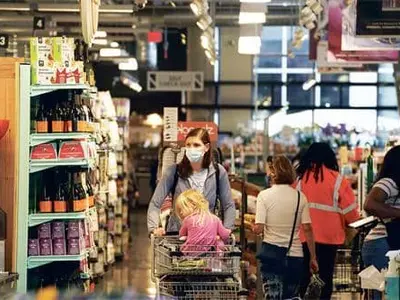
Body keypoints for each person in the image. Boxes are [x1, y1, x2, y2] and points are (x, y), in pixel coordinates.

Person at [295, 142, 360, 299]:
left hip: (303, 238)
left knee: (304, 279)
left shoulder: (300, 179)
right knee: (325, 280)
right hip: (329, 240)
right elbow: (352, 215)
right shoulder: (337, 180)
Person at [147, 128, 236, 236]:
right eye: (188, 145)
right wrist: (154, 228)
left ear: (206, 147)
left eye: (196, 145)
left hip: (208, 236)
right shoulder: (174, 171)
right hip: (177, 235)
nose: (191, 149)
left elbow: (228, 205)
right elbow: (155, 203)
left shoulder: (218, 172)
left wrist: (226, 231)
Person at [254, 155, 318, 300]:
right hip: (294, 255)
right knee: (291, 296)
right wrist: (313, 257)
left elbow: (259, 228)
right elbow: (307, 229)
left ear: (272, 172)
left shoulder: (263, 196)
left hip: (271, 256)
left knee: (273, 296)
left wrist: (255, 228)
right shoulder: (300, 197)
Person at [363, 146, 400, 299]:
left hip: (387, 244)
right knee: (386, 292)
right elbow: (369, 204)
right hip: (381, 244)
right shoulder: (389, 182)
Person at [176, 189, 231, 254]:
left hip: (190, 253)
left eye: (181, 209)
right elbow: (225, 235)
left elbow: (181, 235)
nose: (181, 212)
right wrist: (227, 232)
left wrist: (188, 237)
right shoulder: (214, 219)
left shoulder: (188, 220)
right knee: (219, 243)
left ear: (193, 205)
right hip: (210, 253)